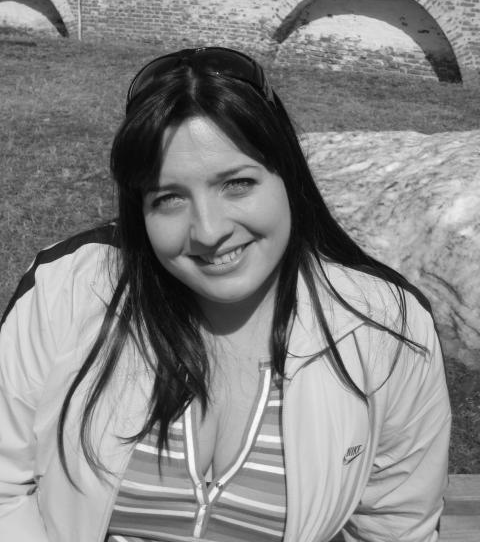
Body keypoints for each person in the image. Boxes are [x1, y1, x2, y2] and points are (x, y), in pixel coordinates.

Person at [0, 47, 451, 542]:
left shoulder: (386, 328)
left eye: (236, 184)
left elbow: (396, 526)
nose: (209, 231)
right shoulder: (66, 287)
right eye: (169, 198)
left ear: (287, 175)